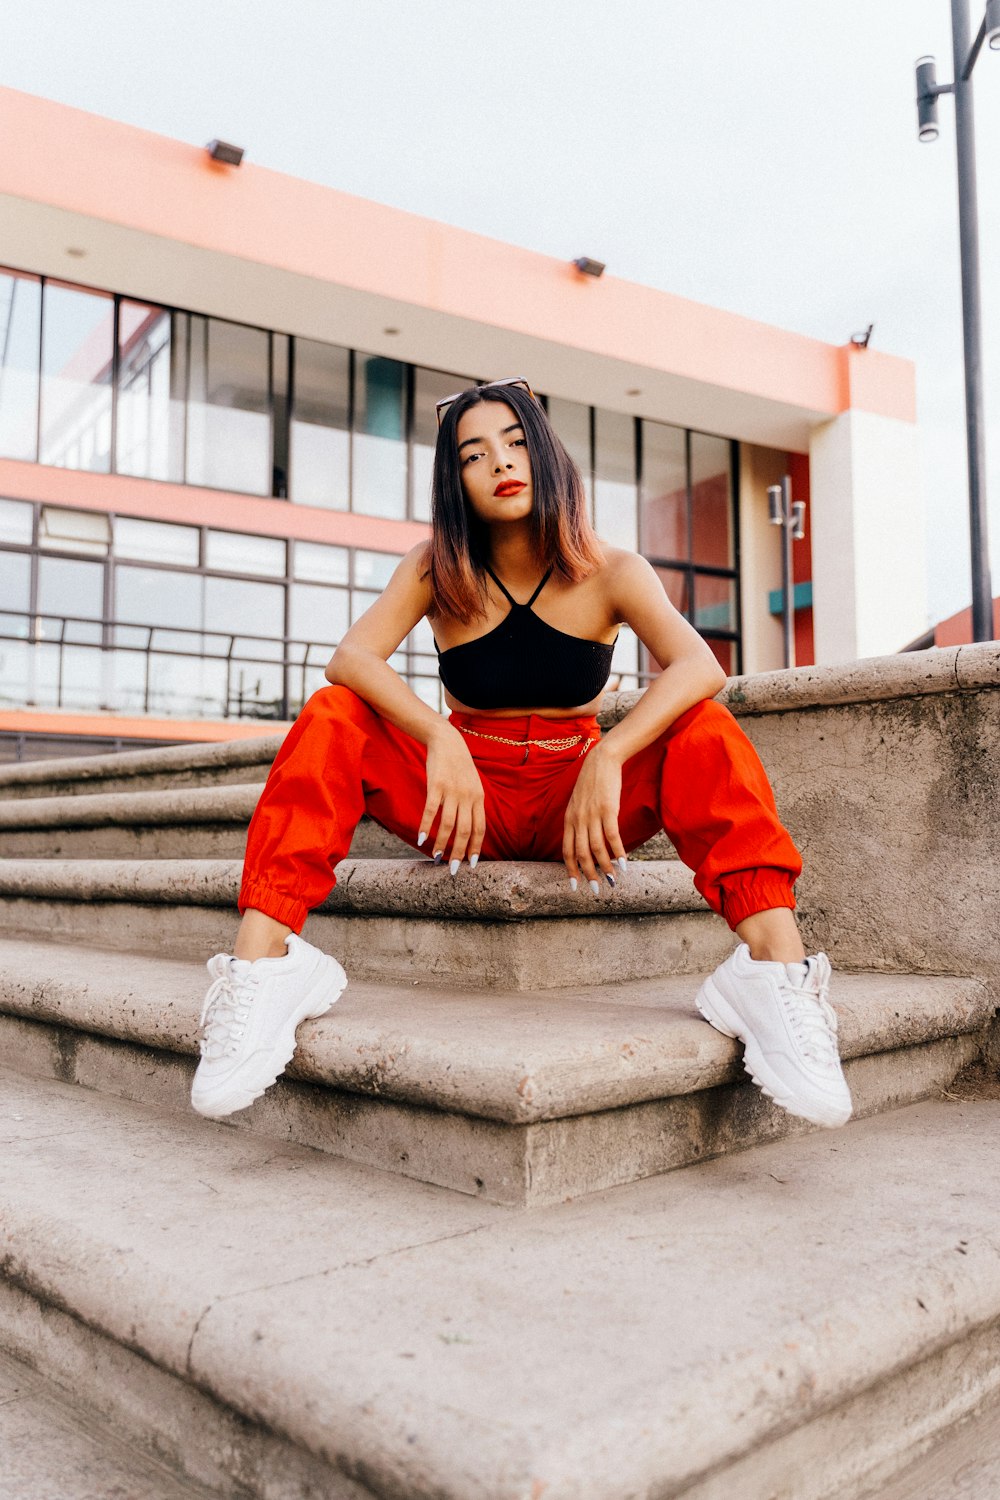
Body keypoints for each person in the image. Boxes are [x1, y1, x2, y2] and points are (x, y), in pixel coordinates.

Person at [191, 377, 851, 1130]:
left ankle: (774, 972)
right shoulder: (436, 565)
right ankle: (262, 968)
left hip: (579, 802)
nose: (500, 462)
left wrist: (609, 755)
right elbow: (352, 658)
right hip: (467, 802)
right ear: (456, 481)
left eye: (514, 442)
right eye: (474, 454)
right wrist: (439, 733)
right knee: (335, 715)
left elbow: (701, 667)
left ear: (545, 454)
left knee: (704, 728)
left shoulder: (611, 568)